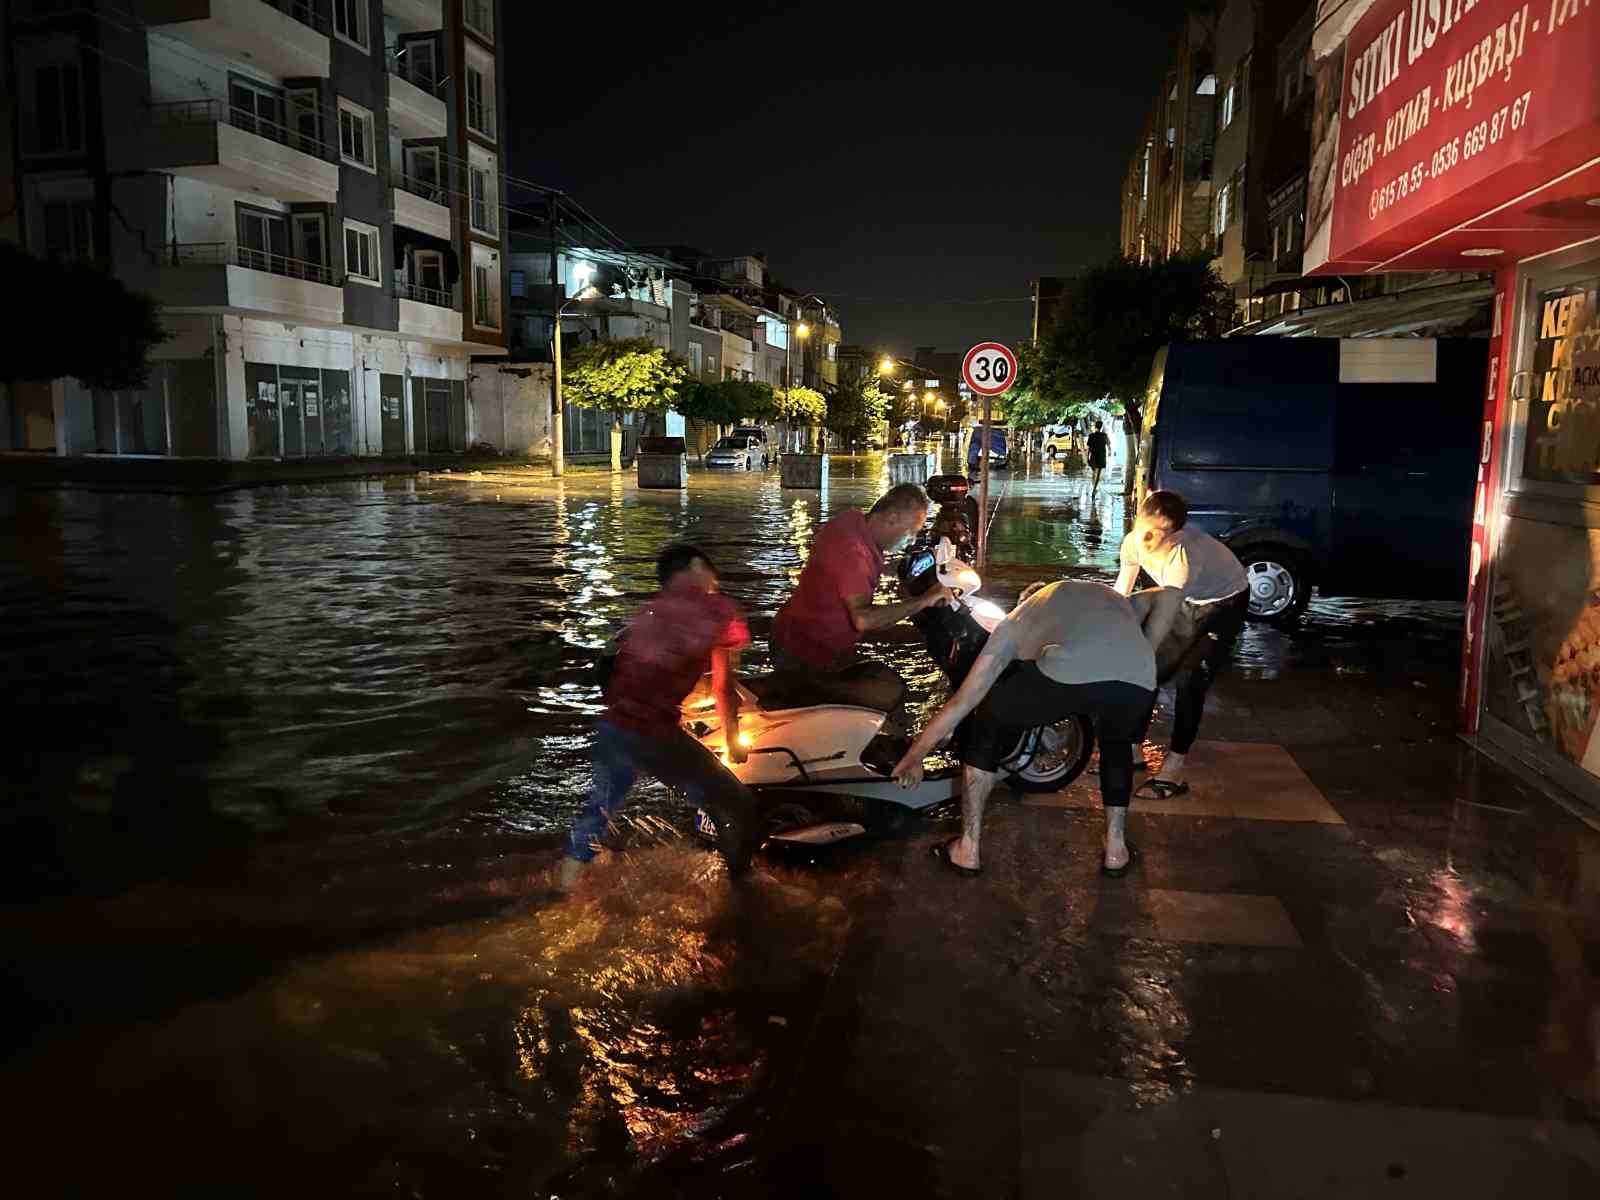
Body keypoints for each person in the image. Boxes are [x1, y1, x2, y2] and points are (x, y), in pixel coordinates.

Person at [892, 580, 1183, 877]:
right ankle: (1115, 851)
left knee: (986, 721)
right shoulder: (1110, 596)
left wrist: (915, 757)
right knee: (1117, 747)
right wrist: (1148, 648)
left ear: (1024, 601)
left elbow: (963, 700)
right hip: (1139, 676)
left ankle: (967, 849)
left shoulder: (1018, 619)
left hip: (1072, 668)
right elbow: (1172, 594)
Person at [561, 543, 759, 889]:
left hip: (612, 729)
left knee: (599, 814)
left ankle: (562, 889)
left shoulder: (648, 614)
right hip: (654, 734)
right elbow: (723, 689)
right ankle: (744, 887)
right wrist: (732, 743)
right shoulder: (714, 609)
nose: (715, 582)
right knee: (734, 803)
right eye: (711, 573)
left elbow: (615, 669)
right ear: (698, 566)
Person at [1114, 489, 1248, 800]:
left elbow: (1163, 618)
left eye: (1160, 533)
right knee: (1150, 671)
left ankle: (1174, 769)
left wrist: (1141, 654)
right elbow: (1122, 591)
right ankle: (1132, 750)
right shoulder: (1134, 541)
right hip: (1186, 600)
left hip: (1223, 604)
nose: (1150, 538)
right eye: (1146, 526)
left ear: (1174, 532)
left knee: (1190, 679)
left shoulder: (1182, 556)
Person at [770, 483, 953, 710]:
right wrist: (924, 599)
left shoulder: (852, 521)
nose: (913, 540)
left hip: (802, 637)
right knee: (884, 693)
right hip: (804, 652)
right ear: (892, 519)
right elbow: (863, 619)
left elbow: (851, 574)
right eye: (912, 532)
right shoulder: (854, 553)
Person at [1086, 420, 1110, 492]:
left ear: (1095, 426)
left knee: (1094, 471)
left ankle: (1094, 486)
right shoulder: (1104, 436)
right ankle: (1094, 488)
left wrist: (1087, 457)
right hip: (1101, 456)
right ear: (1101, 427)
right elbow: (1108, 445)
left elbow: (1089, 448)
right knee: (1098, 473)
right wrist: (1110, 451)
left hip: (1093, 456)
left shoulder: (1091, 436)